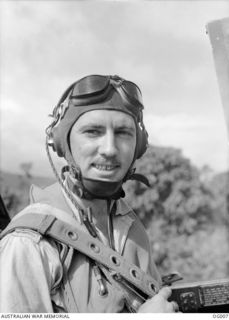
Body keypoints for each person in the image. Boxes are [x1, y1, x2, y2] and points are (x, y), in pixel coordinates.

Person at [0, 74, 178, 313]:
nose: (110, 149)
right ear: (62, 142)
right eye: (93, 131)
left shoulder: (130, 224)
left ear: (139, 145)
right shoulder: (29, 243)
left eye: (124, 133)